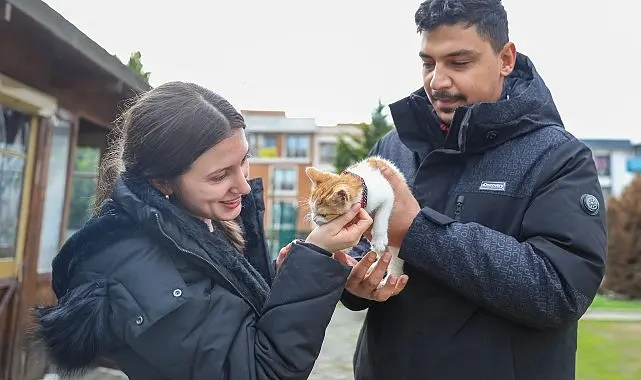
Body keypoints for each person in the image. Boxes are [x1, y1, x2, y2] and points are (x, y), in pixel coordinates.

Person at [33, 81, 373, 380]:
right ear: (162, 181)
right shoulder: (135, 271)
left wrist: (287, 281)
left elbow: (238, 326)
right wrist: (314, 256)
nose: (242, 186)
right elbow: (261, 371)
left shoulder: (204, 221)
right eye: (219, 176)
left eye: (243, 161)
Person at [340, 1, 607, 379]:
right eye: (428, 63)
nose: (438, 81)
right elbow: (359, 250)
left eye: (459, 63)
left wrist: (419, 232)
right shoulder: (392, 148)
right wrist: (351, 280)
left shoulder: (560, 157)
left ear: (506, 59)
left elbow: (560, 291)